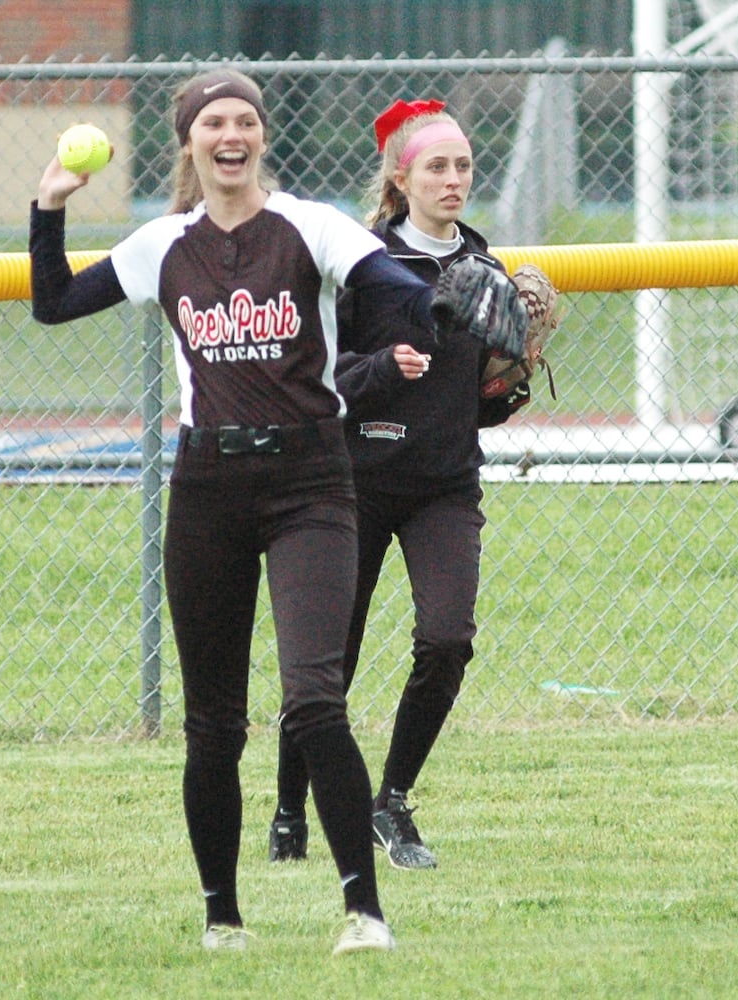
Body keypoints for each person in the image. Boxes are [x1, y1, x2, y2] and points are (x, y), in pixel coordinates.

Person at [29, 72, 525, 953]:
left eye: (245, 121)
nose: (231, 133)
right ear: (189, 142)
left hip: (310, 481)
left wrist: (442, 303)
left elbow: (386, 285)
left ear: (262, 137)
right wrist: (49, 208)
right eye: (213, 122)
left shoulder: (310, 225)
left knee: (313, 698)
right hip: (208, 486)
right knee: (212, 722)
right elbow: (55, 303)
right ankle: (222, 918)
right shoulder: (163, 244)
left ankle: (364, 914)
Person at [269, 98, 530, 870]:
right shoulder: (359, 266)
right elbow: (308, 381)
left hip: (443, 486)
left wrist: (504, 390)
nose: (453, 180)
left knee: (447, 639)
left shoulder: (482, 268)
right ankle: (290, 809)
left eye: (463, 167)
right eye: (436, 167)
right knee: (327, 663)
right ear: (400, 176)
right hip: (349, 482)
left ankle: (392, 802)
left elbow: (475, 409)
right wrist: (384, 370)